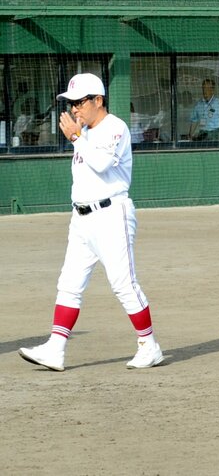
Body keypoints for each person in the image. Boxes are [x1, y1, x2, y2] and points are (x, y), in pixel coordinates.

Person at [18, 73, 163, 371]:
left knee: (123, 284)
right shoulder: (85, 133)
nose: (75, 109)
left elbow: (101, 164)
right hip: (81, 217)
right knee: (69, 283)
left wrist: (76, 137)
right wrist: (80, 137)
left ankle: (149, 345)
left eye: (80, 102)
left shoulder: (115, 127)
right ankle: (55, 349)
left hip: (112, 214)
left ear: (98, 100)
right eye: (71, 103)